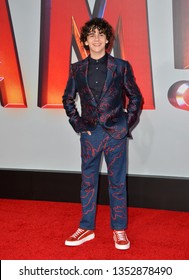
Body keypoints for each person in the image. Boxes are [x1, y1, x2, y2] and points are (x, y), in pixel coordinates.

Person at [63, 17, 142, 250]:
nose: (96, 38)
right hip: (90, 134)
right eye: (91, 35)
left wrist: (126, 124)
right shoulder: (76, 69)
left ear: (107, 39)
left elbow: (135, 97)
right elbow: (67, 98)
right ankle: (86, 227)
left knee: (117, 182)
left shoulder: (120, 66)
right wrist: (78, 124)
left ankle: (119, 229)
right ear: (85, 41)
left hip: (115, 133)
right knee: (88, 182)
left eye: (100, 34)